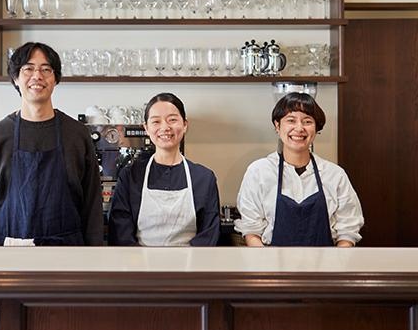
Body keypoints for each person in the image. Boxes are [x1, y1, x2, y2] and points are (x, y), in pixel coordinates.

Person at [0, 42, 103, 246]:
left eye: (46, 69)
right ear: (15, 78)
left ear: (56, 79)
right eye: (28, 68)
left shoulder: (76, 134)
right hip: (8, 260)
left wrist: (94, 258)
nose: (37, 76)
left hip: (69, 256)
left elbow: (92, 205)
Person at [235, 92, 363, 247]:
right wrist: (268, 267)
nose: (299, 128)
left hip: (326, 266)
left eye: (307, 121)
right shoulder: (258, 172)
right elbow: (251, 232)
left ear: (316, 129)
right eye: (291, 120)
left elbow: (347, 232)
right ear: (277, 126)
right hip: (271, 265)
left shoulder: (335, 175)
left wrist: (334, 266)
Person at [108, 93, 220, 246]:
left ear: (185, 124)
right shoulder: (130, 176)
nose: (165, 127)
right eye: (156, 121)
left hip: (190, 265)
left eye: (172, 120)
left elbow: (209, 234)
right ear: (146, 128)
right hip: (140, 266)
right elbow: (120, 232)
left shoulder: (204, 178)